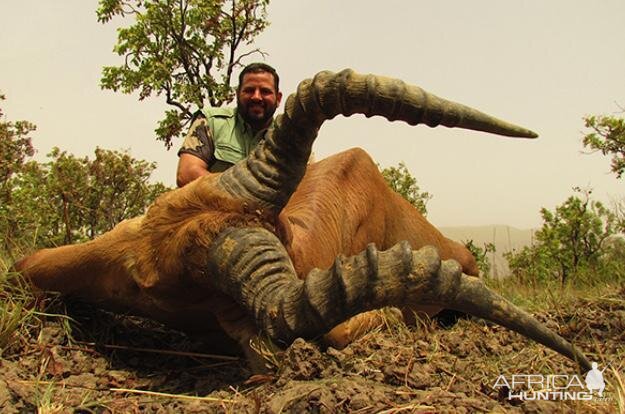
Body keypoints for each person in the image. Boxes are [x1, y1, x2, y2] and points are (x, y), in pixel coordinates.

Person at [176, 62, 282, 187]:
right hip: (210, 205)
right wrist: (241, 196)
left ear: (278, 98)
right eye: (249, 90)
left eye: (265, 91)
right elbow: (187, 174)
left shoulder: (290, 139)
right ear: (237, 93)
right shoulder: (211, 121)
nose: (256, 97)